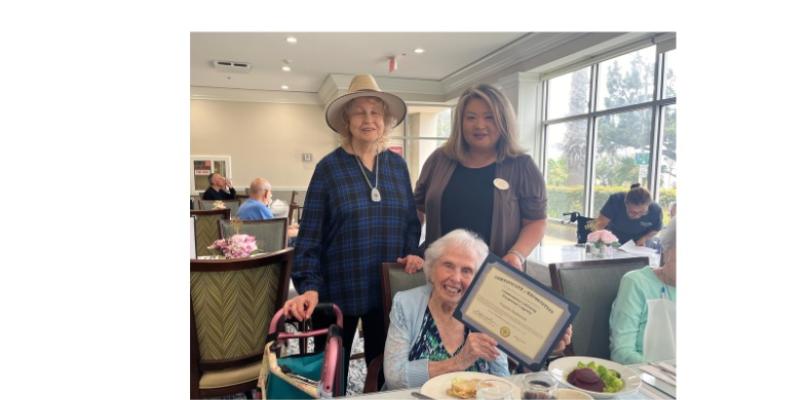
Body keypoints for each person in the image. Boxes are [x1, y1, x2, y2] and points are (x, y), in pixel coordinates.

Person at [281, 74, 423, 385]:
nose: (368, 119)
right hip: (337, 291)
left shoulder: (397, 167)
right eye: (359, 111)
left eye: (375, 112)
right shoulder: (328, 169)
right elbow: (309, 238)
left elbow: (411, 223)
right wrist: (309, 286)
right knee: (332, 374)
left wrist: (413, 252)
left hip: (386, 292)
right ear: (347, 119)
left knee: (385, 370)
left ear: (385, 119)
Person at [383, 229, 572, 389]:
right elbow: (394, 378)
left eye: (466, 270)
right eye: (448, 265)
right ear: (431, 269)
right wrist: (458, 362)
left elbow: (502, 380)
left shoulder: (489, 311)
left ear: (479, 278)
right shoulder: (406, 305)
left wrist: (543, 350)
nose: (456, 278)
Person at [413, 84, 548, 271]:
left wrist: (516, 255)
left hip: (496, 275)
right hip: (440, 275)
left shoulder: (521, 166)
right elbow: (417, 210)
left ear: (503, 121)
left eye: (489, 117)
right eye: (471, 117)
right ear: (460, 122)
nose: (479, 125)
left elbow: (536, 221)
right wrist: (410, 248)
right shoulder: (439, 159)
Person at [609, 219, 676, 364]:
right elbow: (622, 352)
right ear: (668, 249)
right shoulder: (637, 283)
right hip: (644, 376)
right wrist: (661, 372)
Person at [593, 183, 663, 246]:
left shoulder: (656, 210)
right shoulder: (616, 200)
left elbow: (655, 229)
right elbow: (600, 223)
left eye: (642, 212)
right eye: (633, 212)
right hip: (613, 236)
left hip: (638, 240)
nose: (637, 216)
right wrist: (598, 239)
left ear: (648, 205)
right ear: (626, 204)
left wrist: (644, 238)